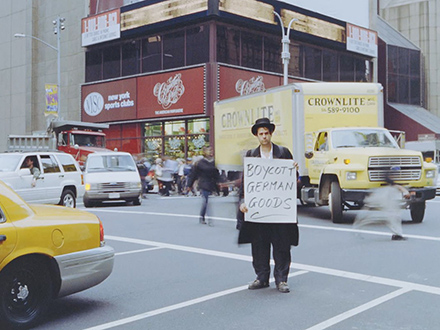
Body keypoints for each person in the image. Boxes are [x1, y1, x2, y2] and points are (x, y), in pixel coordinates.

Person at [238, 117, 299, 293]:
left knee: (282, 245)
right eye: (261, 134)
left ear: (271, 134)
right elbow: (245, 183)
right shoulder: (251, 155)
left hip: (279, 209)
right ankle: (262, 277)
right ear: (257, 136)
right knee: (259, 246)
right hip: (258, 210)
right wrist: (243, 201)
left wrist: (294, 170)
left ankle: (282, 280)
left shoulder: (283, 152)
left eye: (266, 133)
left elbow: (294, 181)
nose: (264, 136)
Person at [353, 174, 410, 241]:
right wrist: (406, 192)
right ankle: (397, 234)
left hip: (382, 195)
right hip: (385, 196)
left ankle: (397, 234)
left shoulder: (385, 183)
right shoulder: (392, 186)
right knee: (391, 216)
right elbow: (397, 186)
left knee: (392, 217)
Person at [186, 146, 220, 226]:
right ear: (204, 152)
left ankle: (203, 216)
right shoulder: (200, 163)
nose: (211, 152)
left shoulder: (214, 162)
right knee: (206, 200)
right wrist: (189, 185)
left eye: (211, 150)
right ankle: (206, 218)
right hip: (203, 182)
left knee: (207, 200)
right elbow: (193, 174)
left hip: (212, 182)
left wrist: (221, 182)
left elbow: (217, 174)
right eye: (209, 150)